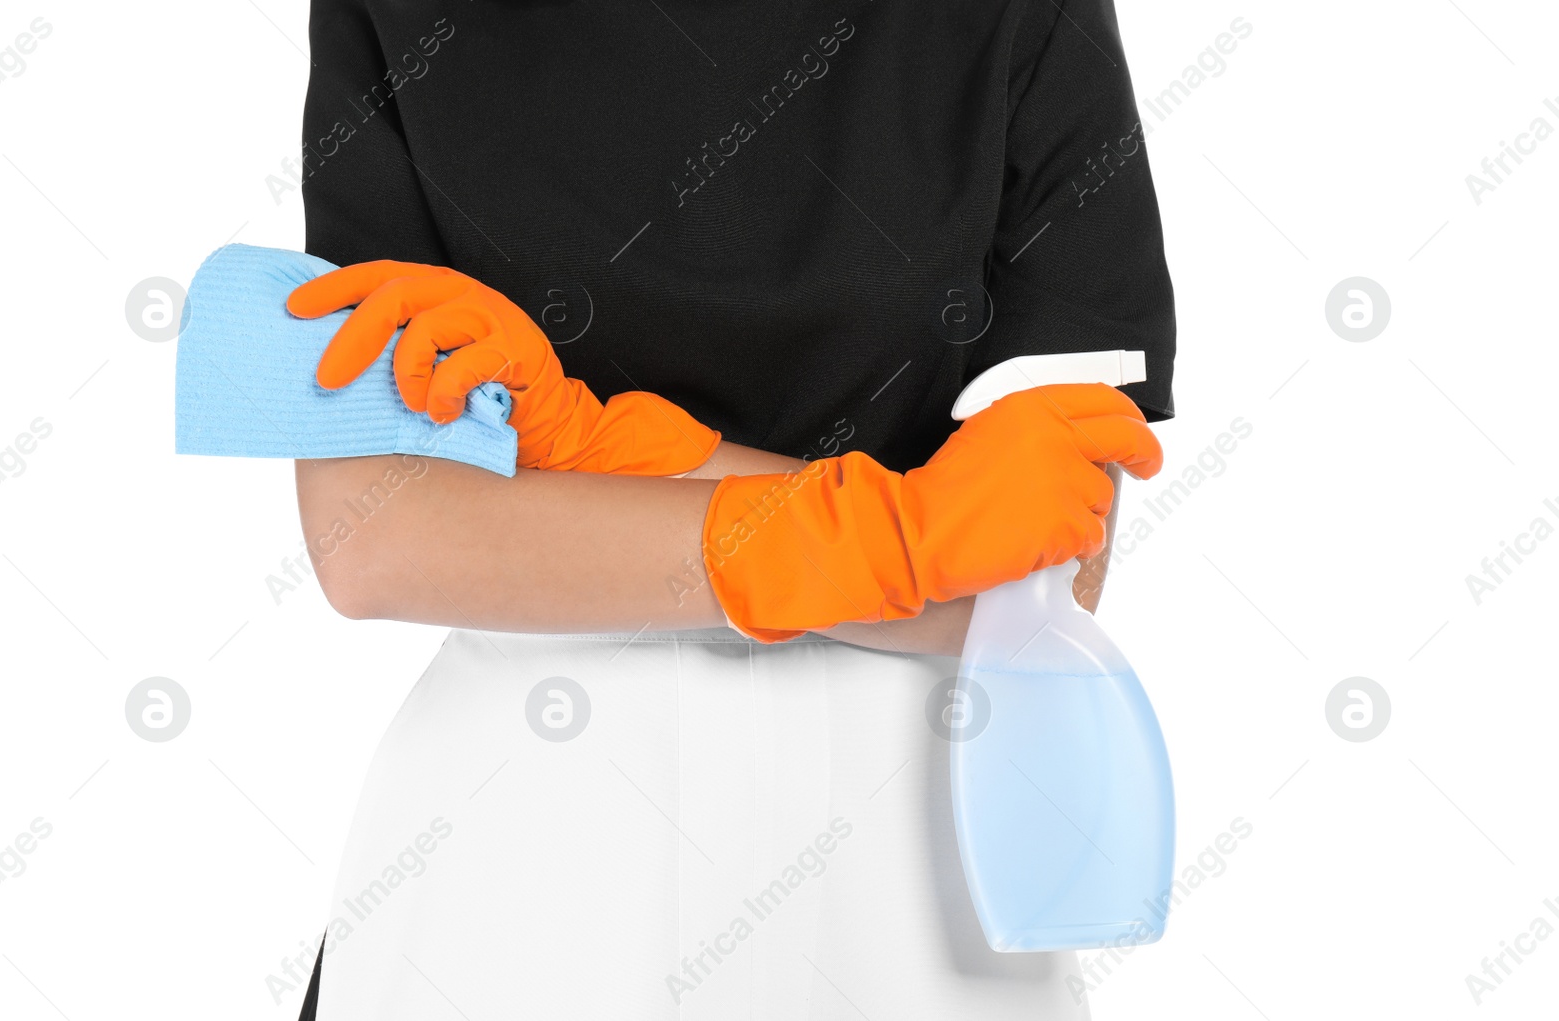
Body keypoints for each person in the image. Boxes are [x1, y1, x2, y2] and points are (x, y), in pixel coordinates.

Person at [289, 0, 1174, 1016]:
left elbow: (1047, 581)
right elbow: (375, 538)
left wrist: (602, 454)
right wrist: (906, 530)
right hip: (518, 876)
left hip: (905, 888)